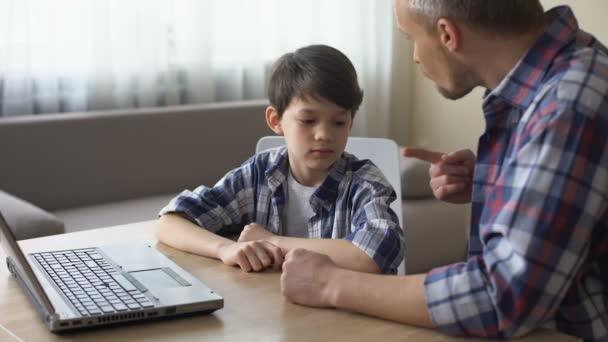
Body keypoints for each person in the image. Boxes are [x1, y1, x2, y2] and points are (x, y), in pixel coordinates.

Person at [280, 1, 608, 340]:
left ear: (448, 34)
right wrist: (495, 181)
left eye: (411, 39)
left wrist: (331, 283)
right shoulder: (566, 75)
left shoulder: (569, 103)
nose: (416, 57)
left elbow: (502, 297)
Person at [156, 44, 404, 275]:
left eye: (338, 122)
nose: (324, 135)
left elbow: (372, 256)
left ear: (350, 122)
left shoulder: (365, 183)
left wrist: (272, 241)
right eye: (308, 121)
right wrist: (226, 249)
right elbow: (171, 221)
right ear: (276, 121)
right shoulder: (258, 174)